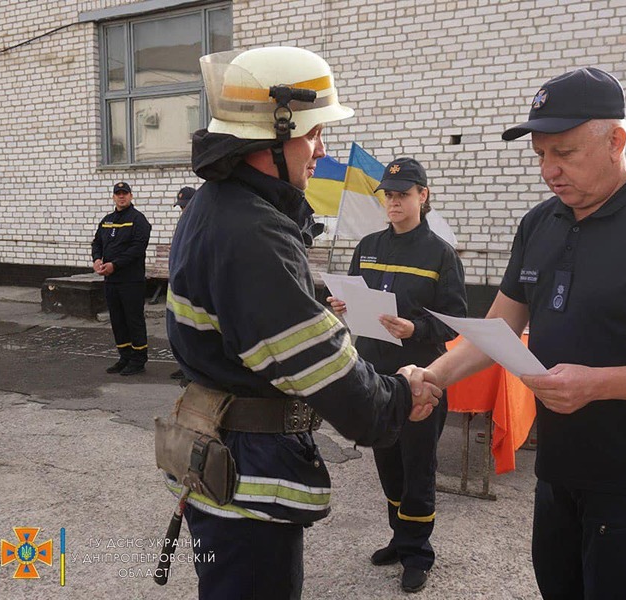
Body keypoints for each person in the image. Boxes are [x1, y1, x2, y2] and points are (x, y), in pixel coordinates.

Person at [407, 67, 626, 599]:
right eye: (540, 154)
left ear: (616, 141)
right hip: (559, 468)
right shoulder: (540, 224)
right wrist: (433, 375)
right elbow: (499, 326)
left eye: (564, 152)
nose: (549, 170)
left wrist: (597, 383)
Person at [164, 46, 442, 600]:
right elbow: (336, 384)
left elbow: (248, 319)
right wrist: (398, 396)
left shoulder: (217, 206)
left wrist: (309, 299)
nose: (321, 149)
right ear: (272, 135)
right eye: (313, 133)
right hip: (249, 477)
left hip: (220, 460)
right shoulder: (254, 232)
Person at [326, 157, 467, 593]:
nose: (394, 202)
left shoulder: (441, 253)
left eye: (403, 194)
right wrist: (342, 307)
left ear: (423, 197)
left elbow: (456, 320)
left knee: (417, 464)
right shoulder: (367, 245)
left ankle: (418, 553)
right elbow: (353, 293)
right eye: (389, 194)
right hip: (374, 373)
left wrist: (416, 328)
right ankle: (400, 537)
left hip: (421, 376)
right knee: (387, 461)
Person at [91, 181, 152, 376]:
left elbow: (137, 249)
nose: (121, 196)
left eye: (125, 193)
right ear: (113, 197)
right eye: (118, 193)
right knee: (117, 320)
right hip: (111, 281)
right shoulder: (107, 220)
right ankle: (124, 356)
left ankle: (139, 359)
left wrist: (114, 265)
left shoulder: (138, 220)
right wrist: (97, 259)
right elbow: (97, 242)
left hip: (131, 281)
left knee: (133, 320)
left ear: (131, 196)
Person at [169, 186, 195, 381]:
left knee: (195, 330)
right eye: (181, 207)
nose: (183, 210)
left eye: (186, 206)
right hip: (181, 283)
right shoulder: (184, 221)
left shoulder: (201, 222)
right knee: (181, 329)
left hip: (194, 284)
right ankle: (185, 365)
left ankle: (193, 370)